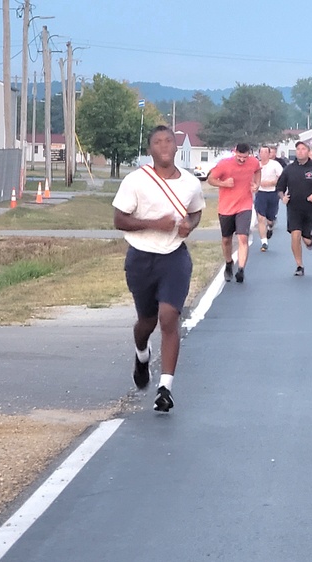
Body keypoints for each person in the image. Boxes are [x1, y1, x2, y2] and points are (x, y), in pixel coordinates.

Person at [112, 125, 205, 412]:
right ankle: (142, 355)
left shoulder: (190, 183)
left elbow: (196, 209)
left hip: (174, 257)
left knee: (169, 316)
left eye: (169, 141)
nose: (164, 146)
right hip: (141, 258)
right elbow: (119, 220)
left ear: (176, 147)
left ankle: (165, 388)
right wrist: (155, 224)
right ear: (150, 149)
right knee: (146, 322)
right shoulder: (135, 181)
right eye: (157, 142)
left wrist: (190, 225)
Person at [207, 143, 261, 283]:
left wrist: (257, 184)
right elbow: (211, 179)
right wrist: (224, 184)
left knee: (243, 238)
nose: (242, 160)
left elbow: (257, 170)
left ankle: (241, 270)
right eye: (239, 157)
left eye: (245, 157)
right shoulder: (224, 164)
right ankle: (229, 262)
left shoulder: (253, 162)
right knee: (226, 239)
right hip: (226, 207)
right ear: (234, 152)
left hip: (244, 205)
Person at [276, 140, 312, 276]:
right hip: (294, 207)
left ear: (308, 151)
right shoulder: (289, 169)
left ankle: (309, 240)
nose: (300, 151)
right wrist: (283, 197)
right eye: (298, 149)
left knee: (307, 239)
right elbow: (279, 188)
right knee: (295, 235)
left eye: (303, 149)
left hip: (310, 209)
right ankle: (299, 265)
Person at [255, 146, 284, 252]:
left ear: (269, 154)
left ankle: (270, 227)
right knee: (261, 218)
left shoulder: (275, 165)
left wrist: (272, 182)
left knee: (270, 218)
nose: (263, 154)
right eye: (261, 152)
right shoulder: (256, 165)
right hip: (261, 193)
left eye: (265, 152)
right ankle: (264, 242)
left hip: (273, 193)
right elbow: (250, 176)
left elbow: (282, 177)